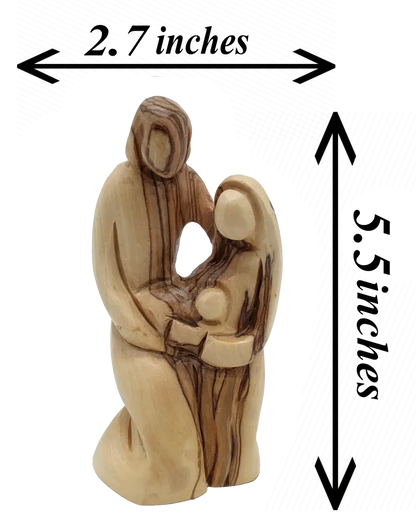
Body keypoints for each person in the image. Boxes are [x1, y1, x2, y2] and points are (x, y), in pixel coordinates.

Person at [89, 93, 285, 506]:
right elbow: (110, 287)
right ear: (138, 137)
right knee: (179, 475)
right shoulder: (116, 187)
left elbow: (224, 230)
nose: (164, 158)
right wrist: (152, 336)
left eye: (173, 147)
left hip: (176, 303)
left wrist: (252, 256)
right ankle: (119, 452)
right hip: (135, 327)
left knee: (237, 367)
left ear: (185, 144)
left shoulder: (185, 181)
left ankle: (225, 456)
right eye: (156, 144)